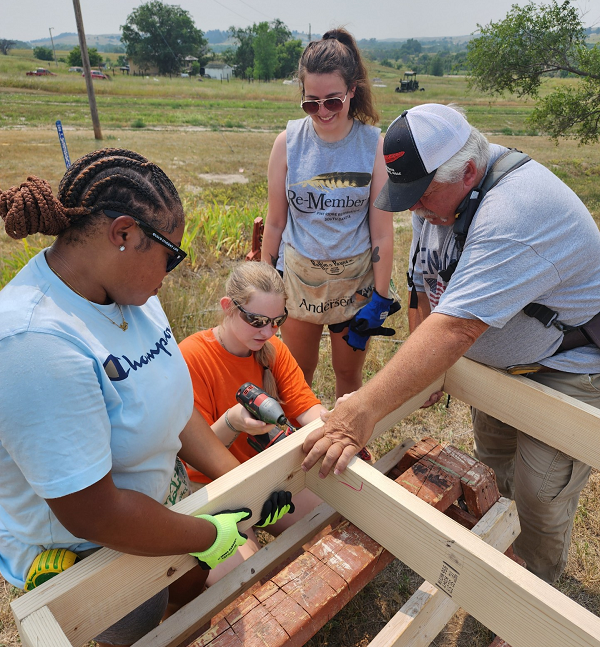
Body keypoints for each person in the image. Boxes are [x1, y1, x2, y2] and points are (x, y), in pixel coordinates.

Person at [0, 149, 292, 646]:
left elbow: (173, 411)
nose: (171, 272)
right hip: (94, 550)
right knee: (135, 625)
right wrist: (210, 535)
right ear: (124, 234)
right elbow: (95, 513)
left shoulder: (131, 295)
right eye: (170, 255)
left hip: (162, 511)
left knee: (207, 591)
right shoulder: (36, 345)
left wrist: (243, 483)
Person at [301, 103, 600, 584]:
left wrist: (362, 412)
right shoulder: (439, 199)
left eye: (421, 195)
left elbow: (457, 328)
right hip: (498, 370)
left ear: (469, 172)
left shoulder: (515, 213)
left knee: (541, 492)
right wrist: (428, 364)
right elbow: (425, 283)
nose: (414, 206)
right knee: (496, 459)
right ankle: (506, 554)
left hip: (564, 367)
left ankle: (535, 591)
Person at [262, 27, 396, 399]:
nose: (322, 112)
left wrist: (380, 299)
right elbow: (275, 222)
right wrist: (265, 285)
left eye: (333, 101)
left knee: (348, 375)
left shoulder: (373, 145)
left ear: (352, 89)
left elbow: (382, 233)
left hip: (354, 282)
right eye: (311, 103)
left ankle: (348, 442)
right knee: (295, 375)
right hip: (300, 277)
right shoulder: (287, 144)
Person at [179, 262, 325, 581]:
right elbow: (194, 458)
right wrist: (232, 421)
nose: (267, 332)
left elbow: (309, 411)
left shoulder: (274, 351)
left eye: (277, 321)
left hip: (266, 476)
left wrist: (336, 421)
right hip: (211, 487)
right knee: (247, 576)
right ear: (228, 307)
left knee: (329, 517)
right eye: (257, 321)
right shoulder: (191, 358)